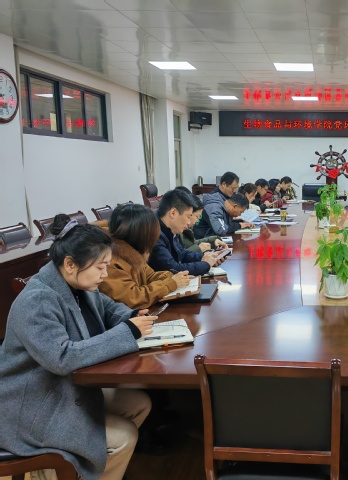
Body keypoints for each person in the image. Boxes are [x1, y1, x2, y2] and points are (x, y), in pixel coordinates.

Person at [0, 215, 155, 480]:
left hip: (61, 388)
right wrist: (128, 332)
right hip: (31, 405)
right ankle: (58, 470)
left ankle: (89, 469)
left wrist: (131, 316)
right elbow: (62, 357)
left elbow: (107, 307)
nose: (105, 274)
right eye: (101, 267)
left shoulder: (78, 284)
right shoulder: (38, 300)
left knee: (139, 404)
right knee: (124, 437)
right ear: (70, 264)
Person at [99, 203, 190, 309]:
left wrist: (173, 277)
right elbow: (132, 298)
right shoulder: (109, 260)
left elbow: (150, 276)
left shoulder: (133, 251)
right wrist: (170, 283)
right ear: (142, 235)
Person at [149, 188, 225, 276]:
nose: (189, 222)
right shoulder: (154, 233)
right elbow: (172, 269)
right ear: (173, 213)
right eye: (188, 217)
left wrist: (205, 257)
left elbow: (182, 253)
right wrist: (205, 264)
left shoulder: (169, 228)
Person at [174, 186, 225, 252]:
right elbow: (178, 255)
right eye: (197, 216)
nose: (197, 220)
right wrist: (199, 249)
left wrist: (213, 241)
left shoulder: (185, 228)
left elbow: (191, 244)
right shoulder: (172, 230)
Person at [194, 171, 241, 238]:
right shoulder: (214, 200)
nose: (234, 191)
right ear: (224, 184)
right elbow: (219, 228)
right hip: (205, 237)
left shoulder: (225, 196)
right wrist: (239, 225)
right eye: (232, 188)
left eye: (236, 189)